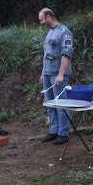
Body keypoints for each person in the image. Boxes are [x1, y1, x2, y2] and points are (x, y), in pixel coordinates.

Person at [38, 8, 73, 145]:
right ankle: (53, 131)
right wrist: (43, 73)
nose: (40, 22)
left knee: (61, 104)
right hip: (48, 73)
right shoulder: (50, 33)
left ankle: (63, 133)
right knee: (50, 104)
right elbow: (46, 55)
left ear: (48, 17)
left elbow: (67, 54)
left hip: (58, 75)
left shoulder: (64, 32)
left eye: (41, 19)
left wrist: (61, 74)